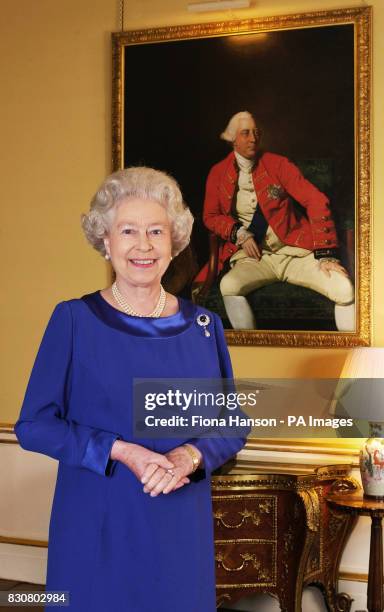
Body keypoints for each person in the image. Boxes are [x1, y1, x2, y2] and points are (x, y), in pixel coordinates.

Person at [15, 167, 248, 612]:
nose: (143, 245)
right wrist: (122, 450)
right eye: (128, 231)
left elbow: (231, 423)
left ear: (174, 241)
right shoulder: (74, 320)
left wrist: (190, 455)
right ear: (106, 240)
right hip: (97, 521)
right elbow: (33, 426)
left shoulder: (204, 326)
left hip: (179, 525)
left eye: (156, 231)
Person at [197, 111, 355, 331]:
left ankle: (351, 356)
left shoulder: (278, 164)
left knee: (344, 289)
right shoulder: (218, 172)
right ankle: (254, 354)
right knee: (229, 285)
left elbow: (316, 200)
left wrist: (326, 254)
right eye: (246, 133)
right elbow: (210, 217)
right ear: (232, 138)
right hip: (255, 258)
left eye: (256, 132)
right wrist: (239, 233)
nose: (253, 138)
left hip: (295, 253)